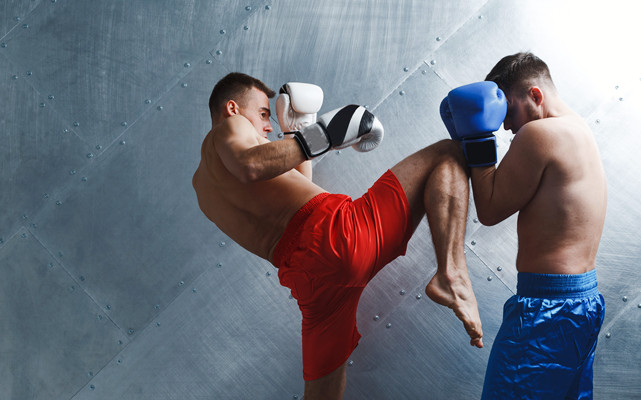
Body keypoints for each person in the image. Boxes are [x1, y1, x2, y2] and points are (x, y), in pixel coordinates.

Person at [191, 72, 483, 400]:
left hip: (309, 282)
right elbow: (251, 167)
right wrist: (322, 135)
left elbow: (295, 189)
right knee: (447, 154)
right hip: (339, 233)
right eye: (262, 113)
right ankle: (452, 273)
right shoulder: (228, 129)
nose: (268, 126)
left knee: (322, 395)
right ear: (232, 108)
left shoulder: (203, 189)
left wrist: (296, 132)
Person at [440, 52, 607, 399]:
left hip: (548, 309)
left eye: (509, 111)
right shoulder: (580, 130)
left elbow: (489, 209)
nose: (504, 126)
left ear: (535, 95)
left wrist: (476, 138)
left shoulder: (539, 134)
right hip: (584, 302)